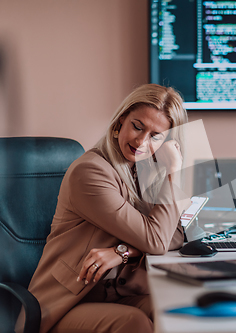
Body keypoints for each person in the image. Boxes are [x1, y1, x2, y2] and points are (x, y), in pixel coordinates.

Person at [18, 84, 191, 333]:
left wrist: (122, 251)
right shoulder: (89, 172)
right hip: (66, 304)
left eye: (155, 136)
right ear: (121, 120)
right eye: (137, 126)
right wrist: (174, 173)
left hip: (114, 293)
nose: (141, 141)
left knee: (175, 306)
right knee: (135, 323)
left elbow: (174, 236)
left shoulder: (145, 171)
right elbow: (155, 240)